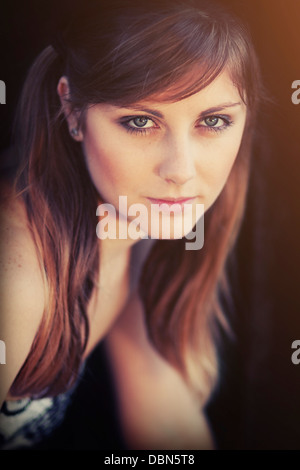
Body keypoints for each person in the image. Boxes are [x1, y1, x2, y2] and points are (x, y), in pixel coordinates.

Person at [0, 0, 264, 450]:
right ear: (71, 108)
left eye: (213, 121)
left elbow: (165, 422)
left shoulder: (135, 236)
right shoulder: (16, 273)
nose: (180, 169)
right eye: (140, 121)